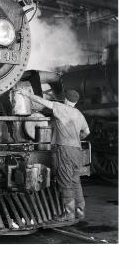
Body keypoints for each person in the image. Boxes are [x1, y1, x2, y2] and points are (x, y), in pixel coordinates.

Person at [19, 89, 90, 225]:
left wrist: (27, 95)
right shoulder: (79, 113)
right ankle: (80, 211)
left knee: (65, 182)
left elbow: (43, 102)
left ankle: (68, 214)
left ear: (66, 100)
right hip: (77, 151)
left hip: (65, 151)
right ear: (75, 102)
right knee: (75, 181)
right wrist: (77, 139)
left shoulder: (61, 108)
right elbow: (87, 131)